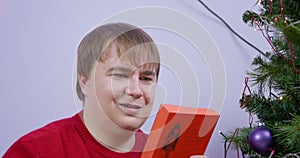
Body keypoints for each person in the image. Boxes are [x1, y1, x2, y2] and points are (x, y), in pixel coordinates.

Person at [3, 22, 160, 158]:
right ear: (84, 82)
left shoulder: (163, 153)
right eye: (119, 75)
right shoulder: (35, 152)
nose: (136, 91)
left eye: (145, 79)